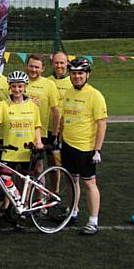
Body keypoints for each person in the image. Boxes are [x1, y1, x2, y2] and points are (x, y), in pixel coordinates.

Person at [0, 71, 43, 225]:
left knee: (27, 182)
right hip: (9, 151)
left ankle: (22, 211)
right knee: (5, 180)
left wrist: (39, 142)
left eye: (20, 86)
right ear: (9, 87)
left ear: (25, 87)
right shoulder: (3, 105)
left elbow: (37, 126)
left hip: (27, 150)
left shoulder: (33, 106)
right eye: (14, 86)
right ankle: (14, 204)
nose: (17, 89)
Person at [60, 57, 107, 235]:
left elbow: (102, 123)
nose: (77, 76)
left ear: (87, 74)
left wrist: (97, 149)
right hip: (68, 145)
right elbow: (64, 117)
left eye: (80, 73)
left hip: (86, 148)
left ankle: (93, 221)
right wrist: (59, 137)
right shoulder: (68, 93)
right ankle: (73, 211)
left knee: (89, 184)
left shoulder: (95, 95)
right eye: (74, 73)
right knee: (72, 181)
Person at [24, 54, 60, 173]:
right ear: (26, 66)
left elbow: (56, 111)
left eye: (37, 67)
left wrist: (54, 135)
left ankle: (40, 192)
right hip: (20, 130)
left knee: (38, 169)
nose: (33, 69)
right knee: (21, 169)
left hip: (40, 132)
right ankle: (22, 192)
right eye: (31, 66)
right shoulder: (20, 82)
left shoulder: (49, 84)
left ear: (42, 69)